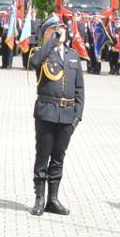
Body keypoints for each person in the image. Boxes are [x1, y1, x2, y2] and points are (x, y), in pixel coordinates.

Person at [30, 16, 84, 217]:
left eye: (62, 28)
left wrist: (78, 114)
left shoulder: (72, 55)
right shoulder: (41, 53)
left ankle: (53, 199)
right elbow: (35, 63)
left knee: (59, 158)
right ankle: (39, 199)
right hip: (47, 112)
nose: (61, 31)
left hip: (67, 115)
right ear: (47, 33)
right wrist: (51, 42)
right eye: (55, 29)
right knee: (42, 157)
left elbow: (79, 87)